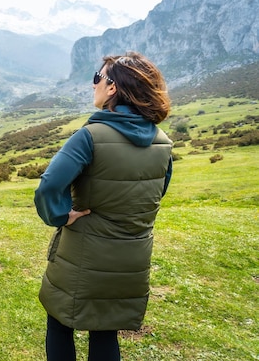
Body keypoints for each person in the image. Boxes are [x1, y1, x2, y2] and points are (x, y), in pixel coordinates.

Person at [34, 51, 173, 361]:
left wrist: (61, 215)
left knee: (59, 323)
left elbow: (48, 187)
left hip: (84, 255)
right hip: (131, 258)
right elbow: (155, 193)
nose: (93, 84)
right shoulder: (163, 142)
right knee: (106, 330)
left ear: (112, 87)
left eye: (97, 77)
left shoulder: (90, 137)